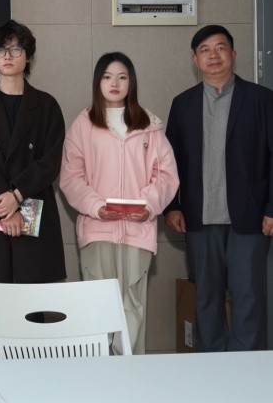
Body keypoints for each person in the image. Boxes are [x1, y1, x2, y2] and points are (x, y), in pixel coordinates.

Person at [59, 52, 179, 354]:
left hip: (138, 231)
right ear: (97, 82)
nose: (115, 83)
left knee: (133, 304)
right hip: (98, 228)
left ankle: (131, 372)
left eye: (122, 77)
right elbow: (71, 177)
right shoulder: (83, 125)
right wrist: (96, 206)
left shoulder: (149, 126)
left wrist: (148, 205)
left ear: (131, 83)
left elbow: (166, 175)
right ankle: (100, 373)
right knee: (98, 305)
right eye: (107, 76)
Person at [164, 25, 273, 352]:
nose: (213, 55)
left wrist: (271, 208)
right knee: (207, 299)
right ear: (195, 60)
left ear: (234, 54)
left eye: (221, 47)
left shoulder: (262, 100)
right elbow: (169, 161)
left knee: (248, 297)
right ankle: (212, 367)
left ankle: (245, 371)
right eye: (205, 50)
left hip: (250, 218)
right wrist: (172, 206)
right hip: (199, 218)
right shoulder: (182, 104)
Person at [0, 20, 66, 287]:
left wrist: (17, 195)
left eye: (16, 49)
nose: (7, 56)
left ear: (28, 56)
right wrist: (6, 206)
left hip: (34, 210)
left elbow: (50, 161)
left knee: (34, 303)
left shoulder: (47, 106)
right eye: (0, 50)